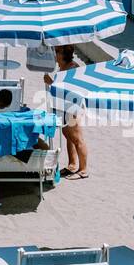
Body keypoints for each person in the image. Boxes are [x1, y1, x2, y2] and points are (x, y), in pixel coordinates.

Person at [43, 44, 88, 178]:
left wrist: (51, 83)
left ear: (63, 54)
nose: (54, 54)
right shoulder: (63, 68)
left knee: (77, 138)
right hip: (64, 107)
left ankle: (83, 170)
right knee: (68, 135)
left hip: (73, 107)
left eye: (56, 51)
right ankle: (72, 165)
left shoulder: (72, 69)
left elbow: (70, 92)